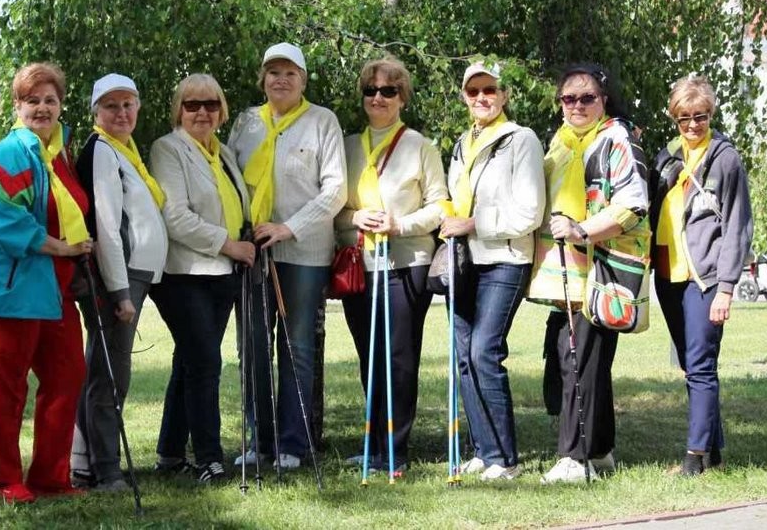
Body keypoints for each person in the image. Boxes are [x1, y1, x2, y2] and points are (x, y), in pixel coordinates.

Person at [0, 62, 94, 503]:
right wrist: (60, 247)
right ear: (18, 106)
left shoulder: (58, 154)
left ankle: (51, 475)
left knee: (67, 374)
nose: (42, 107)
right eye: (32, 100)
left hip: (53, 289)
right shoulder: (11, 152)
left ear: (61, 106)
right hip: (10, 288)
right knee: (9, 383)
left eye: (50, 100)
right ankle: (6, 478)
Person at [527, 63, 650, 484]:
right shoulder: (559, 143)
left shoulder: (616, 139)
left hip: (601, 272)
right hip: (564, 274)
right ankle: (600, 451)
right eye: (568, 98)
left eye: (586, 97)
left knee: (578, 360)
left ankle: (573, 459)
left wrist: (582, 230)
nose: (576, 105)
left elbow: (634, 205)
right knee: (582, 360)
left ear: (604, 100)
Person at [229, 42, 347, 470]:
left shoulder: (322, 122)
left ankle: (293, 445)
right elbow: (230, 180)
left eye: (290, 73)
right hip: (253, 252)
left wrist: (287, 227)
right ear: (262, 79)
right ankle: (259, 441)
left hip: (303, 251)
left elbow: (335, 190)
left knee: (296, 347)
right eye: (273, 72)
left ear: (303, 80)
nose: (281, 79)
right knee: (254, 346)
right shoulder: (245, 122)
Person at [335, 57, 448, 476]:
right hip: (359, 266)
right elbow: (335, 207)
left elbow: (440, 205)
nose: (378, 98)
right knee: (370, 357)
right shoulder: (347, 146)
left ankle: (396, 451)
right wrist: (354, 218)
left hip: (405, 263)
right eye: (371, 90)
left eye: (388, 91)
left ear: (402, 97)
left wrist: (399, 224)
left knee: (399, 358)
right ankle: (374, 445)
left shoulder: (420, 146)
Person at [439, 61, 545, 481]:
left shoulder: (521, 140)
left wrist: (474, 222)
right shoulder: (463, 144)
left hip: (505, 258)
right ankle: (485, 451)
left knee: (484, 350)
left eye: (489, 90)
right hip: (464, 260)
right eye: (473, 91)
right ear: (465, 97)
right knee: (463, 356)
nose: (481, 97)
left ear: (503, 96)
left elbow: (530, 212)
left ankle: (506, 458)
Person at [149, 74, 255, 483]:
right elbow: (175, 216)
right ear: (179, 110)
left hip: (221, 275)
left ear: (222, 110)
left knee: (190, 361)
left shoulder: (224, 153)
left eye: (210, 104)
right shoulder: (168, 149)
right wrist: (229, 245)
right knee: (206, 363)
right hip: (184, 274)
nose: (202, 112)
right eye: (192, 105)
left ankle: (170, 453)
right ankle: (209, 458)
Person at [649, 75, 752, 476]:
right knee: (692, 364)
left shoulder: (724, 158)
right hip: (668, 274)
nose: (693, 126)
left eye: (701, 117)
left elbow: (738, 225)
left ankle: (694, 458)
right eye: (685, 118)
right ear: (674, 118)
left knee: (701, 363)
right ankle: (715, 451)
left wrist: (726, 287)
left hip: (705, 278)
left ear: (712, 115)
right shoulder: (669, 155)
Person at [70, 73, 168, 491]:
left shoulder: (123, 151)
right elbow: (108, 226)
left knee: (105, 368)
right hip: (119, 277)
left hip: (133, 274)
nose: (122, 112)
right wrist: (119, 291)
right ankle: (106, 470)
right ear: (96, 111)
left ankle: (84, 462)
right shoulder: (102, 151)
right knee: (111, 374)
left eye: (128, 104)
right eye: (111, 106)